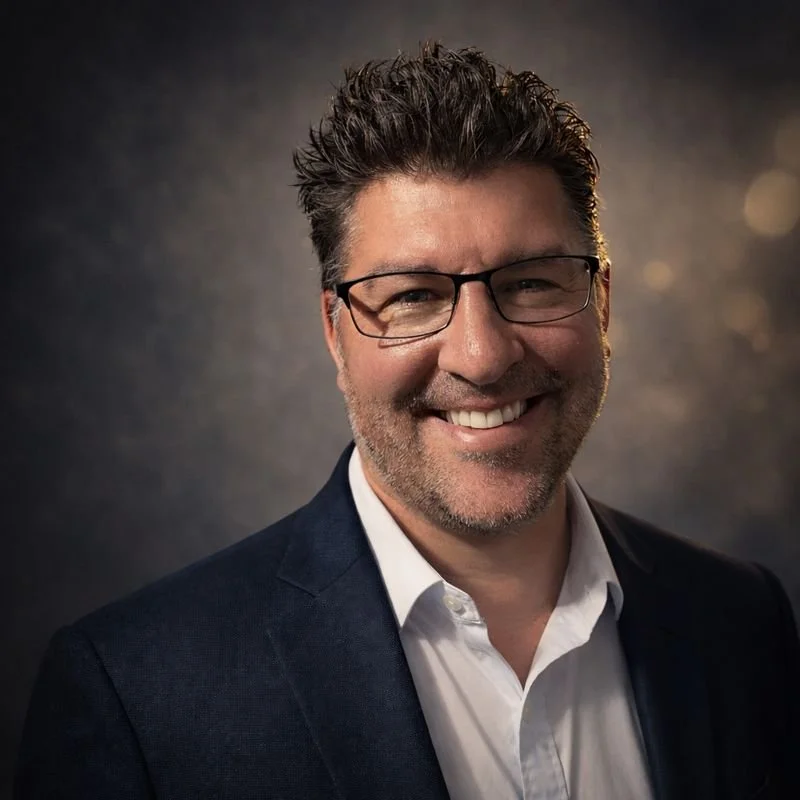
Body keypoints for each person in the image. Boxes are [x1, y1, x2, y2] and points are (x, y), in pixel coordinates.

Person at [15, 42, 799, 800]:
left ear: (600, 302)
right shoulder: (135, 691)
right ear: (335, 331)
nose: (483, 356)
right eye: (414, 296)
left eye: (529, 283)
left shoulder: (742, 619)